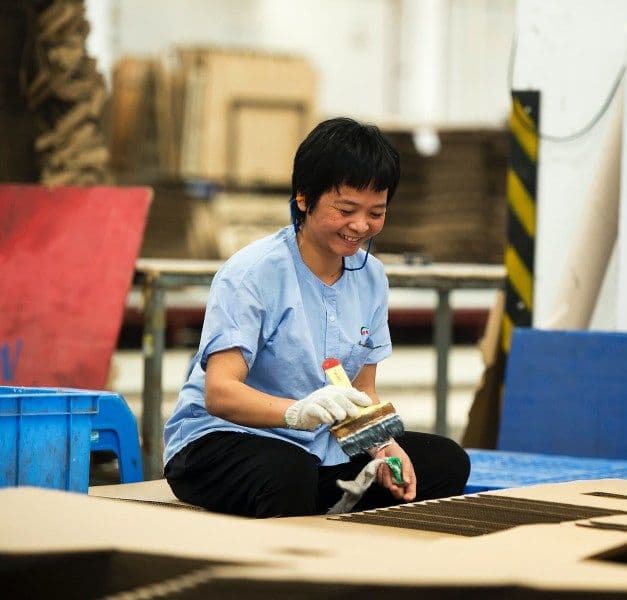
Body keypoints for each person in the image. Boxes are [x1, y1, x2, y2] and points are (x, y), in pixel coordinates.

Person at [163, 117, 470, 517]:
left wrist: (382, 444)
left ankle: (322, 507)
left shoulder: (372, 277)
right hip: (221, 442)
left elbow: (363, 390)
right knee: (289, 472)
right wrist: (294, 412)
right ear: (304, 198)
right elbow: (220, 393)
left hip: (316, 446)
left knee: (445, 462)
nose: (360, 226)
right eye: (346, 210)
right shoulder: (252, 273)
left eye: (376, 212)